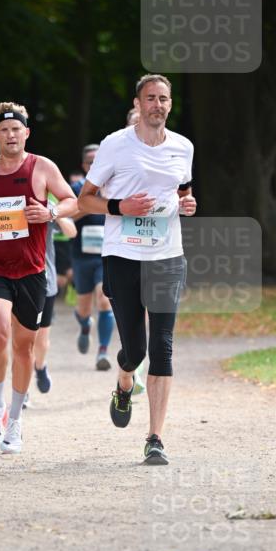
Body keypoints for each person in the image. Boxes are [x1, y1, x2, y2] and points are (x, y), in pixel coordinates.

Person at [77, 74, 197, 465]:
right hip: (123, 255)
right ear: (138, 103)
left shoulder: (183, 147)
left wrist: (188, 203)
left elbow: (183, 191)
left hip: (167, 255)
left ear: (170, 104)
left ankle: (155, 438)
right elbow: (85, 200)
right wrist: (120, 207)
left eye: (163, 98)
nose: (157, 105)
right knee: (136, 349)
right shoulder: (115, 145)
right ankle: (124, 378)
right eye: (151, 98)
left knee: (162, 348)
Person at [0, 100, 77, 454]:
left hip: (31, 270)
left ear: (27, 133)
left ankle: (16, 419)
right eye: (4, 130)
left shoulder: (42, 167)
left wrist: (50, 211)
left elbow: (73, 201)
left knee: (24, 347)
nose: (10, 135)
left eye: (16, 129)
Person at [69, 143, 116, 371]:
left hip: (106, 256)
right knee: (84, 308)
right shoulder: (75, 188)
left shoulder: (115, 187)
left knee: (105, 299)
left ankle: (103, 351)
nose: (95, 165)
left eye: (99, 161)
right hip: (81, 257)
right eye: (90, 162)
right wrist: (89, 204)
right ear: (84, 165)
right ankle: (85, 324)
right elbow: (64, 221)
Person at [32, 210, 77, 395]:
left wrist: (53, 213)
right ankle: (22, 391)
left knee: (41, 341)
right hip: (15, 282)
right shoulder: (8, 202)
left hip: (44, 282)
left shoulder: (43, 206)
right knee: (20, 341)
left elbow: (71, 231)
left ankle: (40, 366)